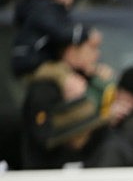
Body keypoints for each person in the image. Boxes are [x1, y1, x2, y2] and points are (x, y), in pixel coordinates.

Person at [20, 27, 116, 169]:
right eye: (91, 49)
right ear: (71, 51)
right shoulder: (45, 87)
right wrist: (77, 105)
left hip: (85, 170)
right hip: (48, 176)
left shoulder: (89, 80)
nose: (97, 55)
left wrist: (102, 85)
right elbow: (45, 137)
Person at [11, 0, 90, 79]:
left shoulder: (55, 10)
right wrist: (89, 32)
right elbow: (62, 34)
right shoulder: (42, 8)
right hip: (29, 64)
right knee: (72, 82)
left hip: (37, 62)